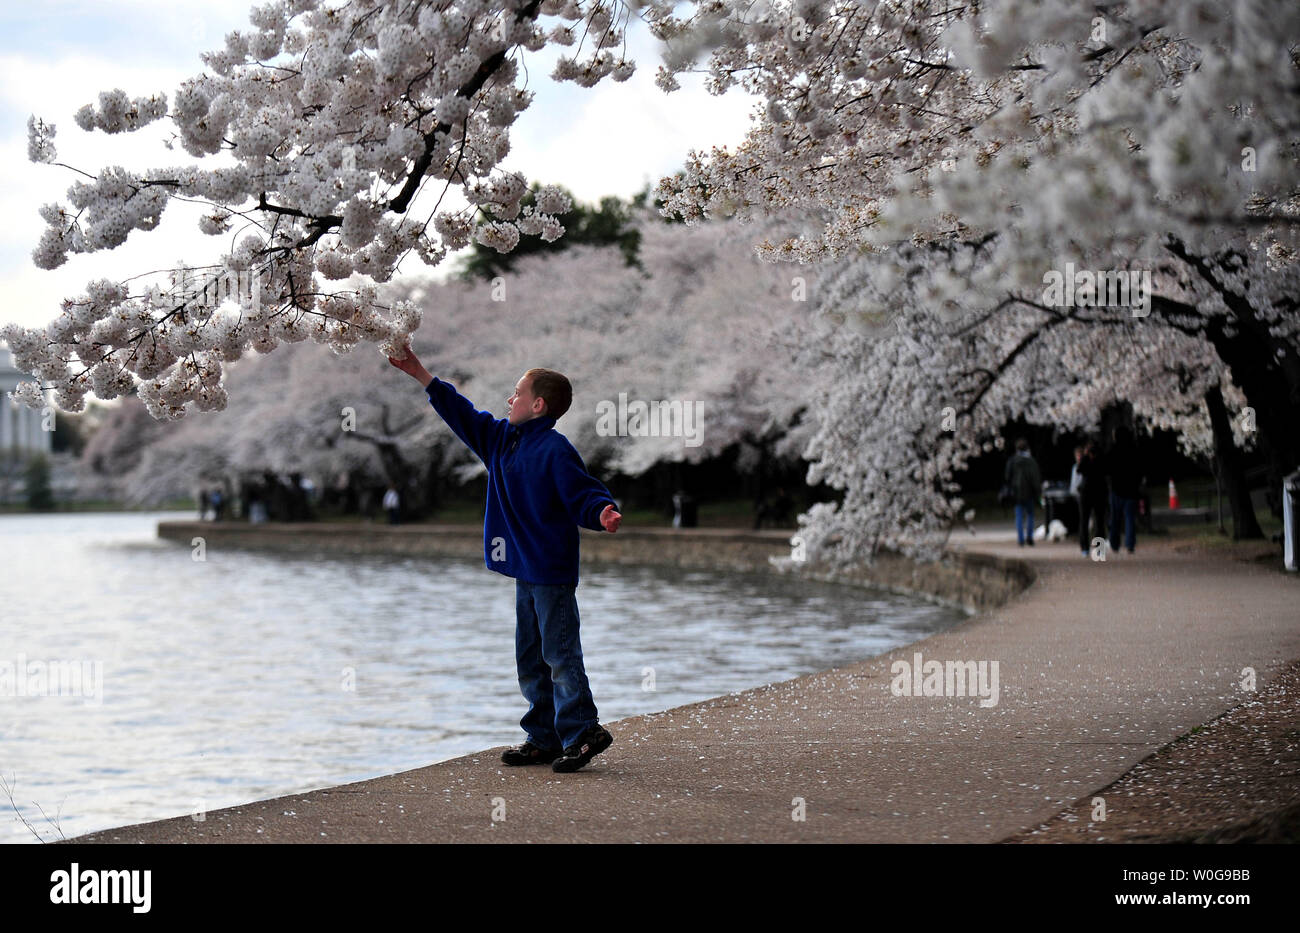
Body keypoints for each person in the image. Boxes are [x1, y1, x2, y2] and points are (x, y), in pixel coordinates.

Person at [388, 346, 620, 773]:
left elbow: (583, 491)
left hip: (550, 571)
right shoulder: (500, 441)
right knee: (529, 656)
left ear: (538, 405)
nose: (508, 400)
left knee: (560, 653)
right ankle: (544, 736)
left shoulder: (555, 449)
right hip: (523, 570)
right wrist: (421, 373)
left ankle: (584, 731)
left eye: (517, 393)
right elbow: (463, 414)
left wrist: (600, 511)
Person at [1106, 428, 1142, 555]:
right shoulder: (1134, 450)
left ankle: (1114, 544)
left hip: (1117, 490)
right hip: (1131, 490)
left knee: (1115, 519)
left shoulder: (1113, 451)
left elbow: (1107, 469)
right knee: (1129, 519)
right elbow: (1139, 470)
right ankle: (1130, 544)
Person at [1004, 438, 1042, 547]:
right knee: (1030, 515)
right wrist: (1037, 491)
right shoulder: (1031, 461)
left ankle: (1020, 539)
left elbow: (1007, 476)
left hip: (1016, 492)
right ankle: (1029, 537)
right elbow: (1035, 478)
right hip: (1029, 492)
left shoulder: (1012, 461)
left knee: (1019, 516)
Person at [1076, 439, 1108, 557]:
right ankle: (1100, 549)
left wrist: (1085, 457)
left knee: (1084, 521)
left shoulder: (1085, 460)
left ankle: (1085, 547)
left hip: (1086, 493)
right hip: (1100, 492)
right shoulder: (1102, 459)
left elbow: (1079, 470)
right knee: (1099, 521)